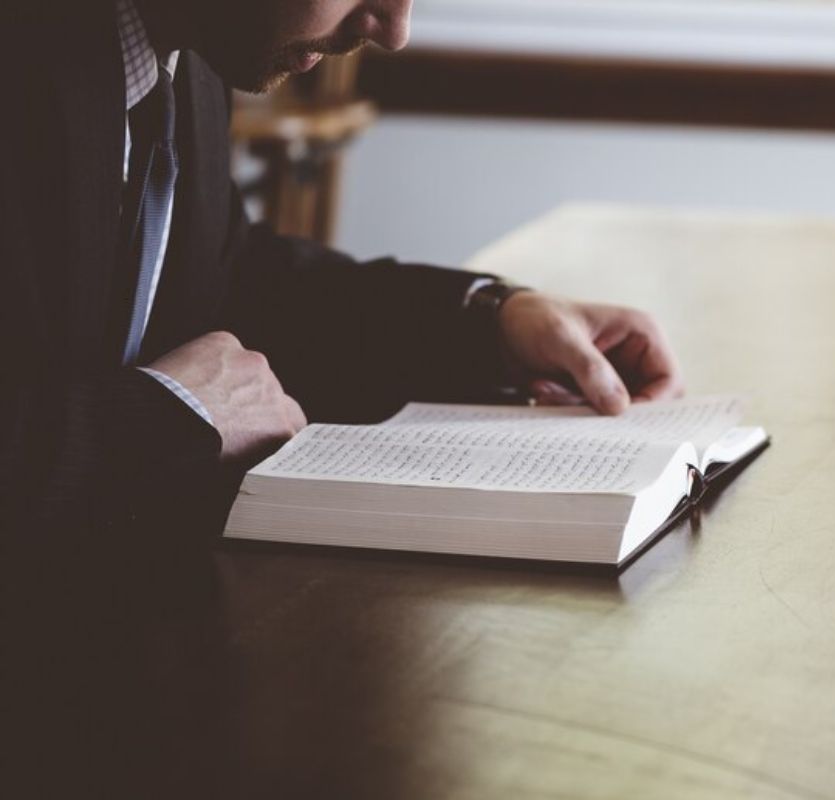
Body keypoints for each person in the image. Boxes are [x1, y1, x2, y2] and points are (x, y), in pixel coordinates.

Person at [0, 0, 684, 539]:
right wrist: (163, 418)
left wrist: (491, 319)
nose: (394, 29)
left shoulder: (188, 54)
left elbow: (231, 277)